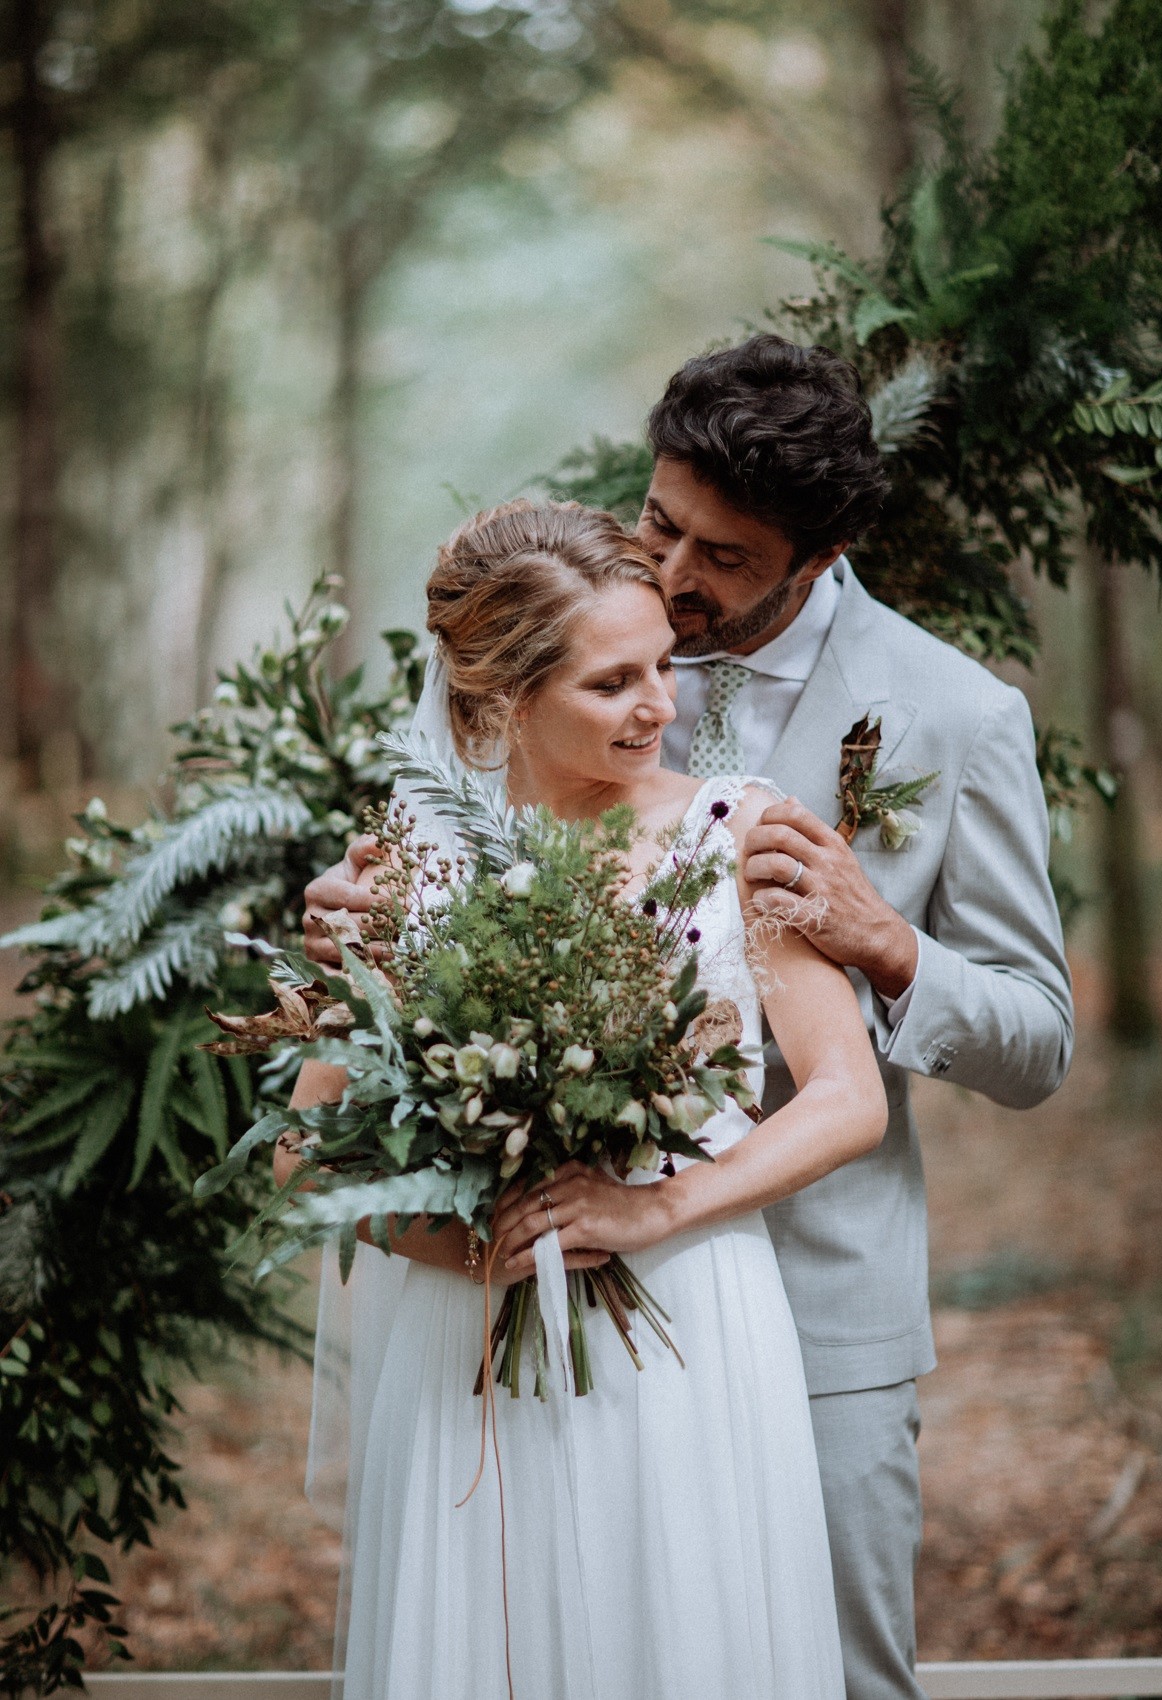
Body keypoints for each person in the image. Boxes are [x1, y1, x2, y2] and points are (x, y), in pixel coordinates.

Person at [303, 336, 1074, 1700]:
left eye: (719, 558)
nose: (670, 579)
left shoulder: (952, 718)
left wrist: (882, 942)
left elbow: (1027, 1037)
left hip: (792, 1304)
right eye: (661, 524)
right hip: (495, 1315)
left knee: (790, 1661)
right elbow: (328, 1118)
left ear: (815, 550)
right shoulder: (563, 640)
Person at [281, 499, 888, 1700]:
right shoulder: (410, 868)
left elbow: (846, 1095)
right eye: (614, 683)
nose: (662, 705)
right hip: (468, 1344)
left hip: (692, 1320)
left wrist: (654, 1210)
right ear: (498, 699)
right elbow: (307, 1147)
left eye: (664, 663)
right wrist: (453, 1244)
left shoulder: (740, 833)